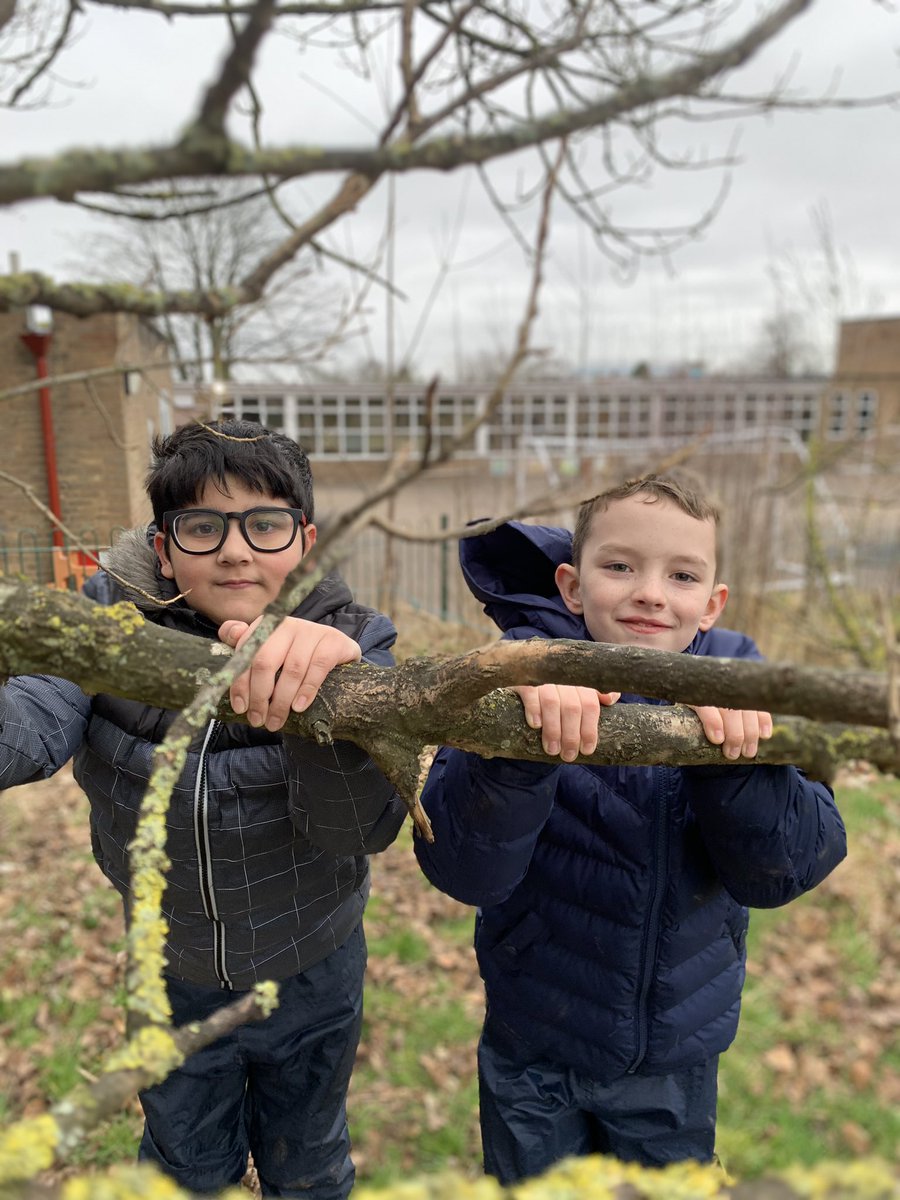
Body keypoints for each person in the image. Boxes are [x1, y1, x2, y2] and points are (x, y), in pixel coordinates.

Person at [0, 419, 408, 1199]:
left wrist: (334, 705)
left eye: (264, 523)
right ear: (162, 546)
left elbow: (358, 828)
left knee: (311, 1169)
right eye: (201, 525)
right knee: (185, 1172)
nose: (235, 549)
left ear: (306, 541)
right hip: (169, 973)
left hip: (312, 972)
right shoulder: (105, 630)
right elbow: (26, 734)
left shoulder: (357, 641)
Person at [414, 471, 846, 1182]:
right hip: (534, 1048)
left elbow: (784, 871)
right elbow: (463, 870)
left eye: (681, 575)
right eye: (620, 566)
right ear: (572, 586)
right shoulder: (517, 679)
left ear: (712, 604)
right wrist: (519, 749)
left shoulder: (749, 687)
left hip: (674, 1059)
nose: (650, 591)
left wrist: (735, 762)